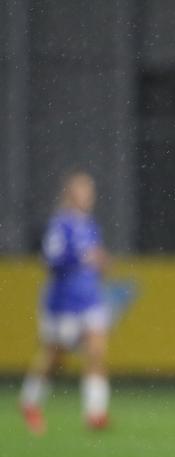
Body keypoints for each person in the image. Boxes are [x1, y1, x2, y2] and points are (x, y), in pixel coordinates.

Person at [20, 169, 112, 434]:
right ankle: (30, 402)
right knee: (54, 359)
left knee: (96, 353)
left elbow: (93, 261)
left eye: (90, 191)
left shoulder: (91, 225)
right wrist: (81, 258)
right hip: (63, 302)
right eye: (83, 190)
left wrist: (100, 264)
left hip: (89, 300)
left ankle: (95, 413)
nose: (88, 196)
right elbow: (51, 260)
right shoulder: (60, 224)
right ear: (71, 194)